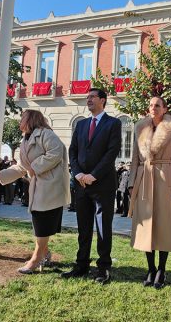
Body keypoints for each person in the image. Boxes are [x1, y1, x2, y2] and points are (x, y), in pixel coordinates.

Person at [0, 110, 71, 274]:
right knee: (40, 222)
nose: (20, 120)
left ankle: (35, 259)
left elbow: (55, 153)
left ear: (31, 119)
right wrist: (2, 174)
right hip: (38, 187)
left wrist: (34, 168)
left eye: (23, 118)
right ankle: (45, 253)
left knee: (42, 223)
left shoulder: (47, 134)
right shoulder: (25, 139)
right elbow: (21, 166)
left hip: (50, 187)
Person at [63, 88, 122, 284]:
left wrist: (93, 175)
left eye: (92, 97)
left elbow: (111, 152)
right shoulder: (81, 124)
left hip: (102, 185)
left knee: (103, 228)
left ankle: (103, 268)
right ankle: (81, 264)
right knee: (83, 227)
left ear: (102, 101)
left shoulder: (113, 123)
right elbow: (73, 151)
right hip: (81, 185)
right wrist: (78, 173)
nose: (88, 100)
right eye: (87, 97)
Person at [128, 97, 171, 289]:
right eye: (151, 105)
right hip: (144, 179)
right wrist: (131, 183)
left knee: (164, 225)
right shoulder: (140, 126)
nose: (153, 108)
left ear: (165, 109)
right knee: (146, 227)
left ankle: (162, 269)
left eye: (157, 105)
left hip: (166, 177)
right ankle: (150, 268)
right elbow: (135, 158)